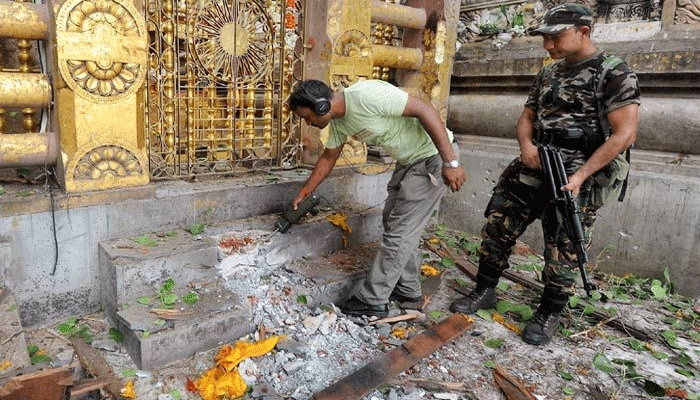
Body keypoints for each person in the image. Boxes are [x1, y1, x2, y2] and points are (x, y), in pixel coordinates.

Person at [449, 3, 640, 345]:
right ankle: (484, 290)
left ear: (584, 31)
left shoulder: (614, 73)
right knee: (498, 225)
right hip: (535, 163)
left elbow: (625, 135)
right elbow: (527, 117)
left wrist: (582, 174)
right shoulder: (547, 74)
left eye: (555, 37)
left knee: (563, 247)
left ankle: (549, 313)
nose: (548, 46)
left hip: (576, 174)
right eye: (545, 39)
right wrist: (526, 145)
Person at [288, 79, 466, 317]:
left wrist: (450, 161)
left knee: (400, 232)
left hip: (432, 158)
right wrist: (305, 191)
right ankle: (408, 290)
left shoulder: (366, 96)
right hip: (409, 161)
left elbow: (424, 110)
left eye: (307, 117)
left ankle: (372, 300)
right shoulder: (339, 122)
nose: (308, 123)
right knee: (393, 222)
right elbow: (328, 158)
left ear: (321, 106)